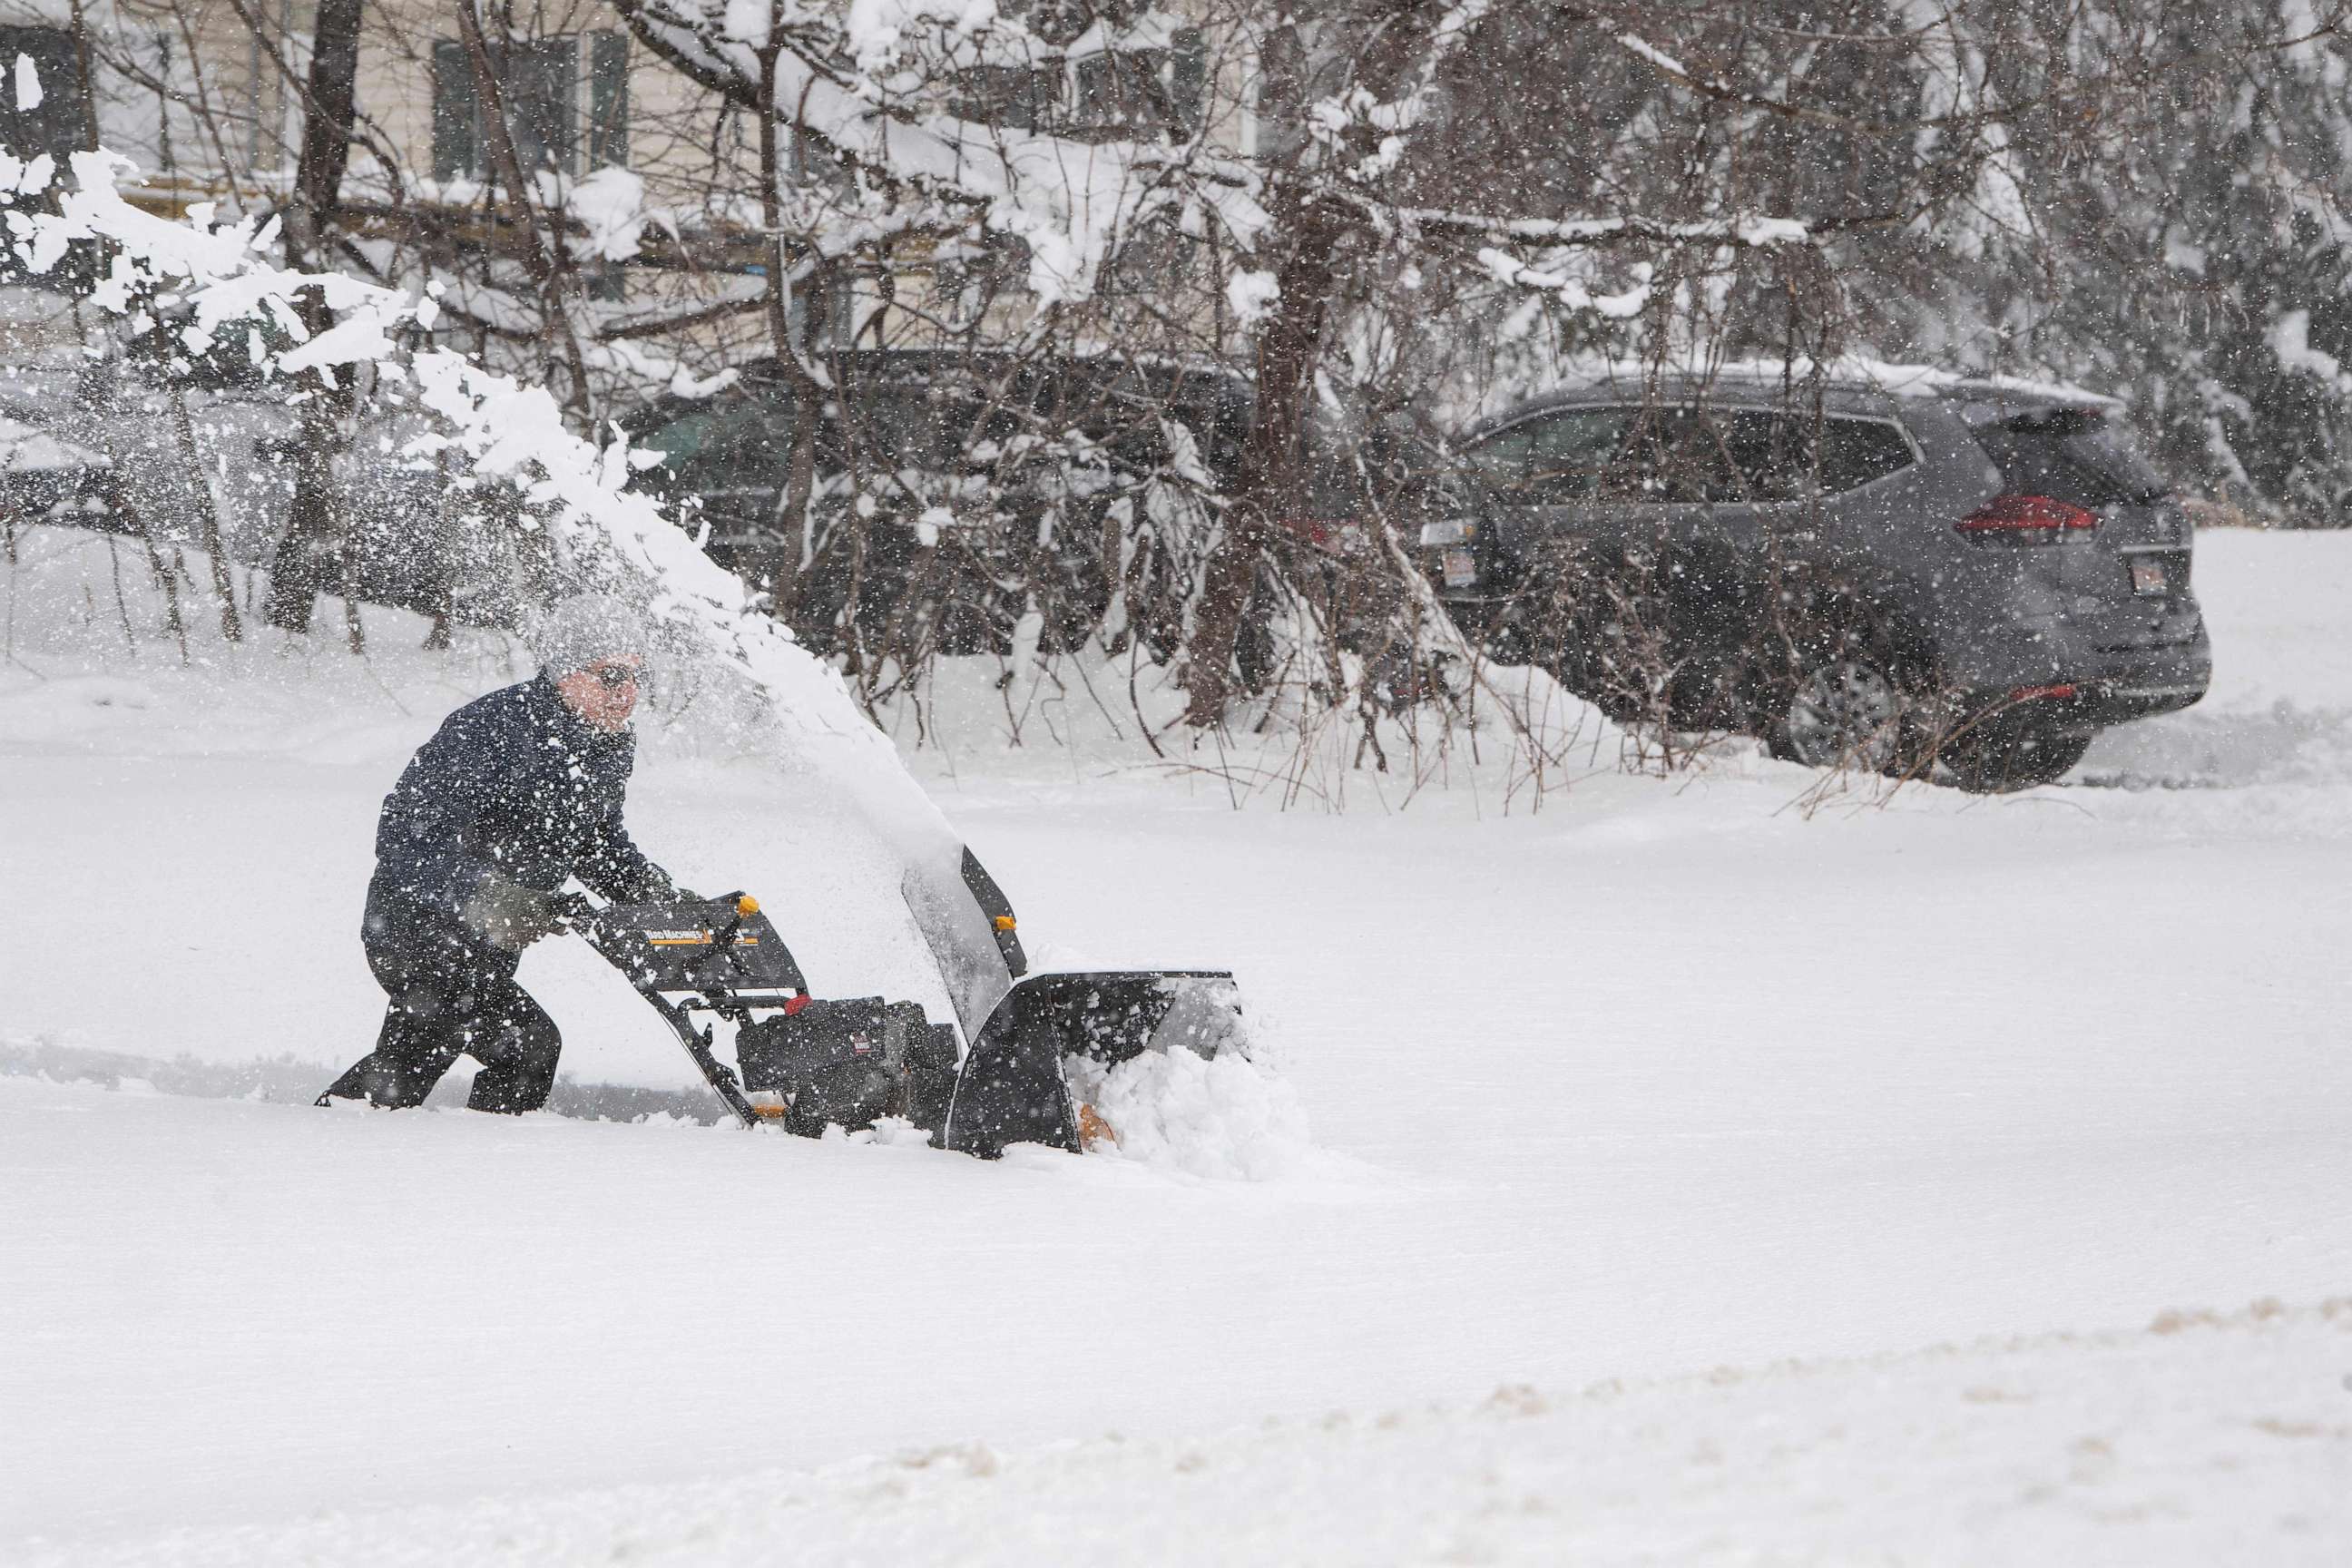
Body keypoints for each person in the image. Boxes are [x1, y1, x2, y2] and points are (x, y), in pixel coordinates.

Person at [319, 593, 695, 1113]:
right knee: (523, 1046)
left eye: (637, 677)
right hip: (418, 929)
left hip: (488, 945)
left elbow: (593, 839)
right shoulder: (494, 728)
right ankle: (471, 1163)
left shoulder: (608, 742)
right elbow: (407, 833)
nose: (626, 694)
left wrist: (648, 890)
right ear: (566, 672)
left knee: (422, 1055)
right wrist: (490, 896)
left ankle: (363, 1140)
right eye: (611, 677)